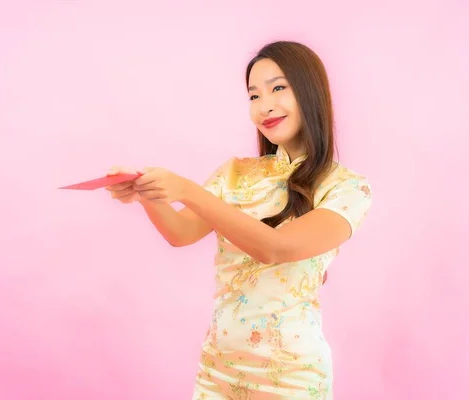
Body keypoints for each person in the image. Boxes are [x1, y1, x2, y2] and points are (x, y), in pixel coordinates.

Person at [106, 41, 372, 399]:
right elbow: (181, 232)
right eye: (253, 96)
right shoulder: (235, 173)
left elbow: (276, 248)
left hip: (292, 377)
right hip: (218, 371)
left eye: (278, 88)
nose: (265, 106)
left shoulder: (347, 187)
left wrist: (186, 190)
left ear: (310, 91)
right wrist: (145, 193)